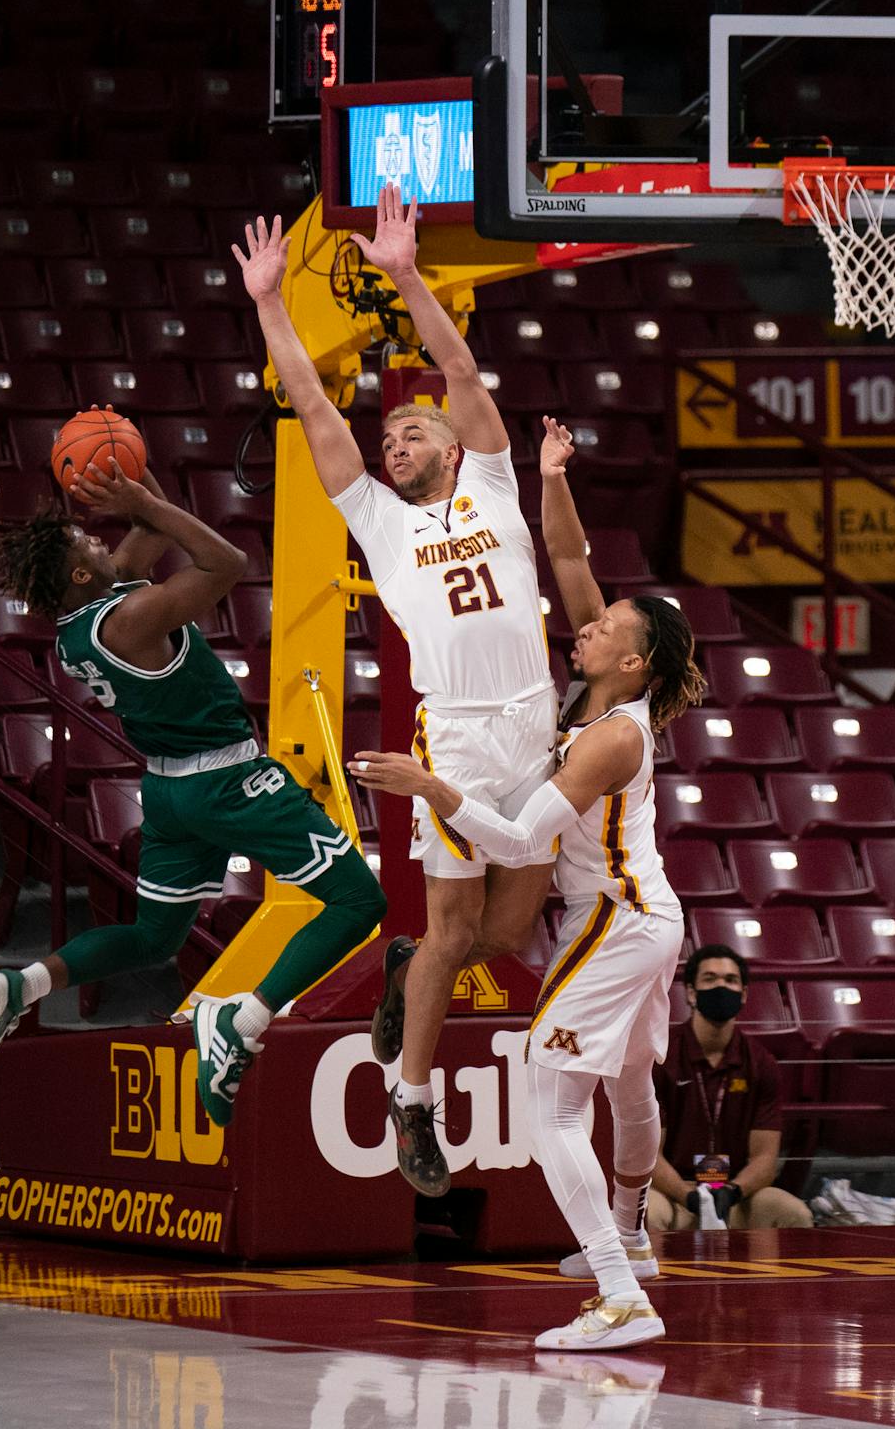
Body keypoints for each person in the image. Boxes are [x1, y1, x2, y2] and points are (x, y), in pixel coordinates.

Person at [350, 414, 704, 1350]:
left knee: (552, 1098)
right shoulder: (602, 690)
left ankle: (622, 1294)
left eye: (602, 627)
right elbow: (569, 552)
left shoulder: (607, 735)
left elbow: (511, 834)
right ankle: (626, 1242)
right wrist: (552, 475)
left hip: (614, 919)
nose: (579, 626)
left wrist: (427, 786)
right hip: (649, 914)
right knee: (630, 1088)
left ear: (631, 659)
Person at [238, 189, 558, 1197]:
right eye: (391, 444)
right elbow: (316, 402)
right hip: (460, 740)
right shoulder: (379, 520)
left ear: (453, 448)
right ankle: (413, 1102)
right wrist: (271, 305)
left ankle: (406, 959)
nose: (394, 446)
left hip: (536, 727)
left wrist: (407, 273)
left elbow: (457, 368)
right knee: (463, 934)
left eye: (411, 436)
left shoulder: (496, 482)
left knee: (503, 937)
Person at [0, 462, 386, 1128]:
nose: (103, 542)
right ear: (78, 576)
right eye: (88, 545)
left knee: (155, 935)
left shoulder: (89, 617)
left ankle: (21, 986)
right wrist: (143, 502)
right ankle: (240, 1020)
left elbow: (150, 525)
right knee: (360, 901)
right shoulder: (131, 614)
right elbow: (228, 562)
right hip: (229, 782)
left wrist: (138, 476)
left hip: (167, 789)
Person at [649, 946, 814, 1233]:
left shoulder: (761, 1063)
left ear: (744, 994)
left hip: (735, 1195)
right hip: (674, 1195)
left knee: (793, 1212)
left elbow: (765, 1158)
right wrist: (687, 1196)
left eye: (730, 980)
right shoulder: (662, 1057)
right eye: (710, 979)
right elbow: (649, 1155)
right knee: (649, 1212)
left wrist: (732, 1192)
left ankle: (778, 1280)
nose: (721, 986)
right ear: (691, 992)